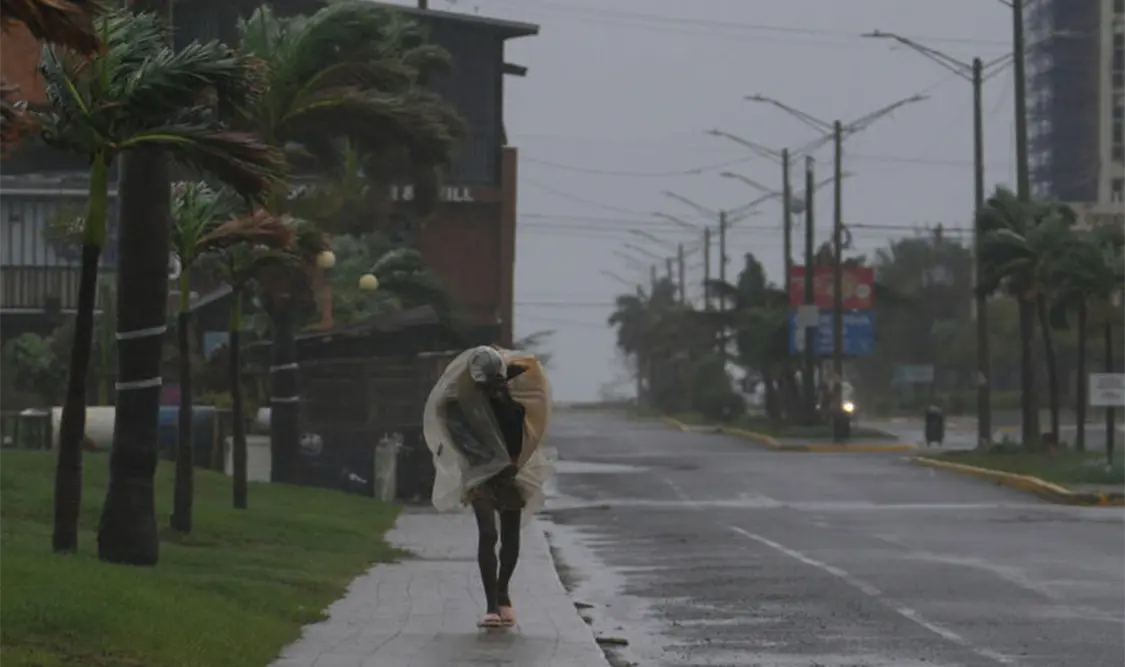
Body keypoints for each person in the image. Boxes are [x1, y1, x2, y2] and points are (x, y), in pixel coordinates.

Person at [423, 345, 553, 629]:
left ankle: (503, 591)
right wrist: (483, 463)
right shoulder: (459, 405)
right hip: (479, 474)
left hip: (510, 472)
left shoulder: (511, 402)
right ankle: (491, 605)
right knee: (488, 532)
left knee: (510, 537)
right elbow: (460, 437)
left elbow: (521, 434)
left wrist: (512, 462)